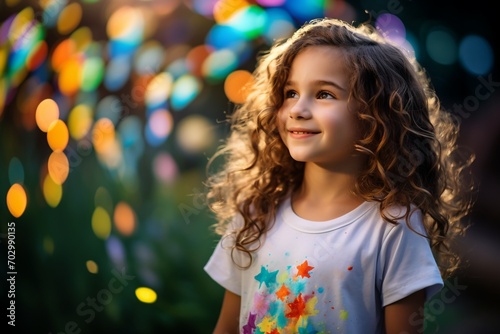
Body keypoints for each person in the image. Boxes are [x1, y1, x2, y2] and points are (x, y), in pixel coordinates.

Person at [203, 17, 474, 333]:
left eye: (323, 95)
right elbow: (226, 327)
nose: (297, 109)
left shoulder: (394, 226)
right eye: (290, 92)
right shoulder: (255, 212)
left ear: (375, 116)